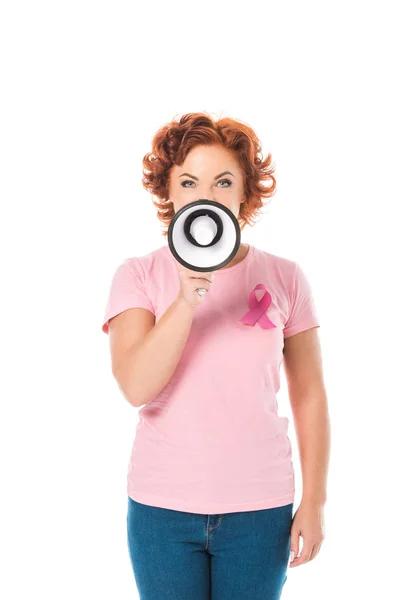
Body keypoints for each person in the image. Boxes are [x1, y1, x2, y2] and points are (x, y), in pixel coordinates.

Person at [101, 112, 330, 599]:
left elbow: (309, 396)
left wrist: (314, 501)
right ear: (169, 193)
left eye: (223, 181)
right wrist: (186, 299)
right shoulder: (138, 275)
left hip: (260, 510)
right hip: (162, 510)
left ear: (245, 192)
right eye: (188, 181)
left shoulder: (287, 277)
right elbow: (136, 386)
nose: (205, 195)